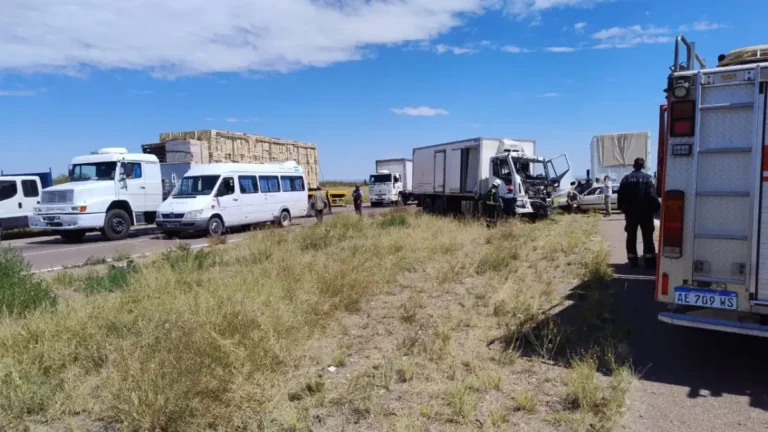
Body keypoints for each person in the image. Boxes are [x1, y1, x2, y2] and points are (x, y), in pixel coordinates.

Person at [618, 157, 660, 269]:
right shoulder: (648, 179)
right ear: (643, 166)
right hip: (646, 213)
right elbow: (652, 195)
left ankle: (633, 261)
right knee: (648, 237)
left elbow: (620, 195)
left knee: (631, 236)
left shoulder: (625, 179)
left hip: (631, 213)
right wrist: (656, 208)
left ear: (634, 165)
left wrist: (622, 209)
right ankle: (649, 261)